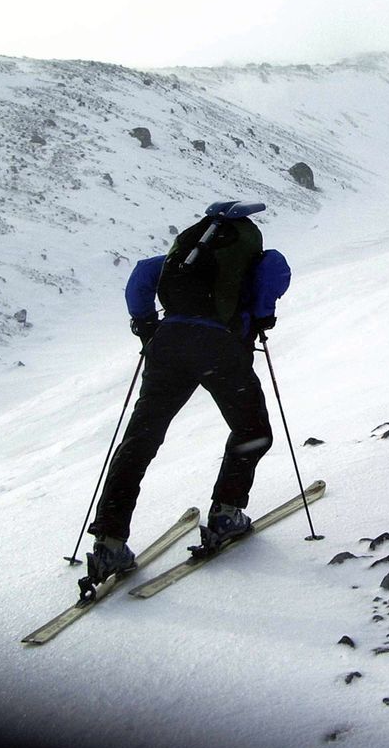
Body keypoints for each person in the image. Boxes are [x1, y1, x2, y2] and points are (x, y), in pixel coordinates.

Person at [85, 201, 291, 585]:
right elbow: (272, 274)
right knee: (252, 430)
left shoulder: (187, 255)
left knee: (140, 439)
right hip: (220, 348)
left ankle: (109, 542)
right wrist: (262, 317)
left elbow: (142, 275)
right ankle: (227, 512)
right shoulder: (251, 255)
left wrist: (147, 325)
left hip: (169, 345)